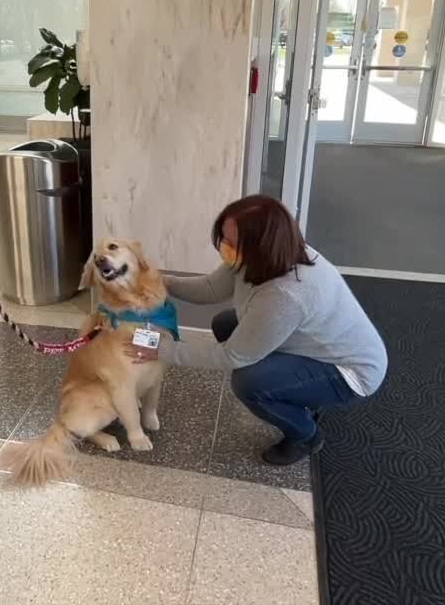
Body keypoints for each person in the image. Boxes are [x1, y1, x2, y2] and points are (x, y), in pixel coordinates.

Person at [131, 195, 388, 466]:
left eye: (232, 243)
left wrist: (160, 349)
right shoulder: (264, 255)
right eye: (224, 239)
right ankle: (301, 392)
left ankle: (306, 435)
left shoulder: (286, 295)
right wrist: (162, 281)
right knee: (225, 324)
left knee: (250, 383)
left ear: (261, 245)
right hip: (314, 345)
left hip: (350, 371)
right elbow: (210, 289)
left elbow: (232, 356)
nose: (225, 249)